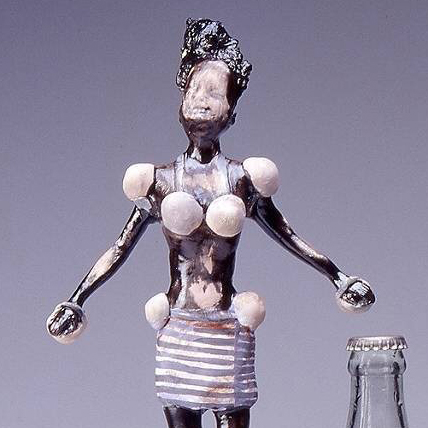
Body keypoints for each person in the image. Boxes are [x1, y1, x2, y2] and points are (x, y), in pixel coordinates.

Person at [47, 18, 375, 428]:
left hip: (228, 325)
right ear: (180, 104)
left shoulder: (241, 179)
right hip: (179, 328)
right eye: (194, 91)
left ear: (232, 115)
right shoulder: (160, 181)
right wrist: (76, 299)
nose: (202, 101)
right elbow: (119, 248)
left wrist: (338, 277)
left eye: (215, 93)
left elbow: (287, 235)